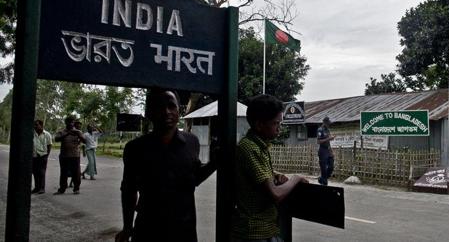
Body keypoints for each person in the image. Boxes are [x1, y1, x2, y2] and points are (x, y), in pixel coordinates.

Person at [115, 89, 216, 242]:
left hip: (184, 230)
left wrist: (214, 163)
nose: (166, 111)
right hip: (149, 229)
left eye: (171, 106)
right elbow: (129, 191)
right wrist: (127, 227)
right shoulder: (136, 148)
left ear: (179, 110)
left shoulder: (191, 142)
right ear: (149, 113)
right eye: (159, 107)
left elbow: (193, 179)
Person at [232, 94, 307, 242]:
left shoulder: (260, 145)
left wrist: (275, 175)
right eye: (275, 123)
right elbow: (275, 194)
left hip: (266, 228)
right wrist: (295, 179)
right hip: (254, 231)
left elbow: (256, 176)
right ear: (259, 124)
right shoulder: (249, 147)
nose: (279, 128)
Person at [54, 115, 86, 194]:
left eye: (72, 122)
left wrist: (78, 134)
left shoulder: (78, 131)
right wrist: (67, 133)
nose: (71, 124)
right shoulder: (62, 131)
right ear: (66, 123)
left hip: (75, 155)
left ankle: (76, 188)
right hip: (64, 155)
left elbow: (85, 141)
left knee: (76, 173)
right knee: (63, 173)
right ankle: (62, 189)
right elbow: (56, 139)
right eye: (69, 122)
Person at [32, 119, 52, 194]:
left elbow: (49, 145)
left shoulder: (47, 134)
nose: (35, 126)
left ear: (41, 125)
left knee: (42, 172)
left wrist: (47, 156)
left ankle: (42, 188)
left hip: (43, 156)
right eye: (34, 125)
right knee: (35, 172)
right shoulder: (32, 133)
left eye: (37, 125)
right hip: (34, 156)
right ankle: (36, 187)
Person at [317, 116, 335, 185]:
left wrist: (331, 151)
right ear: (324, 123)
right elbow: (318, 141)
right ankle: (324, 182)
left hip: (328, 149)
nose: (329, 125)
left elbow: (328, 142)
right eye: (328, 123)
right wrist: (328, 139)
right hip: (322, 151)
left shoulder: (328, 130)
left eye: (329, 123)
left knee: (331, 167)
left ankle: (322, 179)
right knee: (323, 169)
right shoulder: (320, 130)